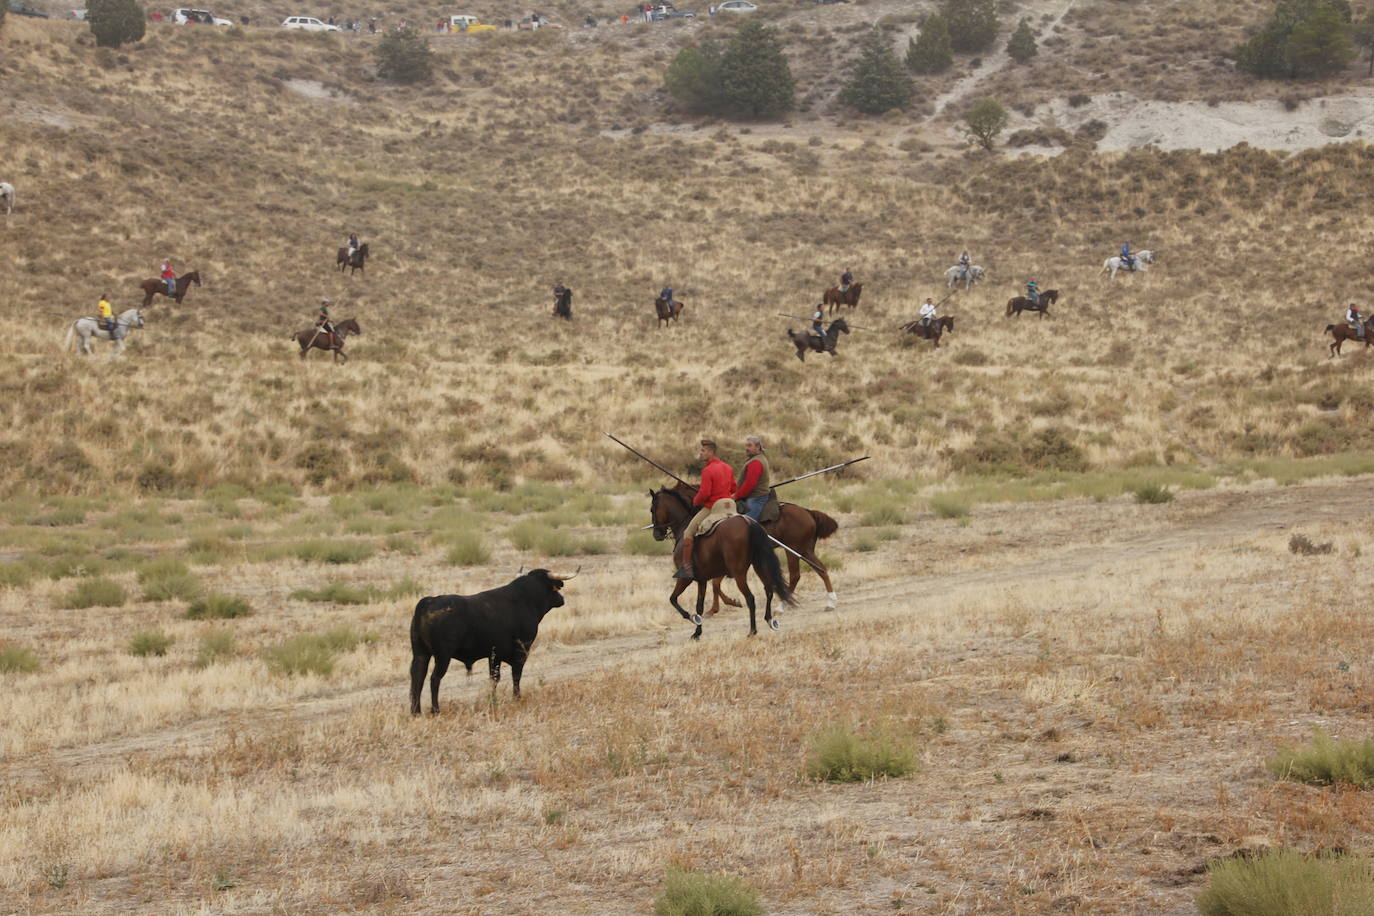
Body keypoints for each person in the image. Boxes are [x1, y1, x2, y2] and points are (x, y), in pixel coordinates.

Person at [673, 439, 736, 580]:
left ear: (710, 452)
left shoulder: (708, 470)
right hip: (730, 506)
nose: (700, 453)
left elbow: (705, 493)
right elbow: (733, 488)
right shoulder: (728, 468)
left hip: (713, 507)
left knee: (688, 532)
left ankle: (687, 568)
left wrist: (695, 501)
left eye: (703, 451)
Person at [733, 436, 772, 522]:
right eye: (746, 446)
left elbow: (749, 485)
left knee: (746, 525)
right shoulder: (758, 458)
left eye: (750, 446)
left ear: (758, 447)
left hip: (755, 498)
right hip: (755, 496)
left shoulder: (756, 462)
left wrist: (736, 496)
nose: (747, 448)